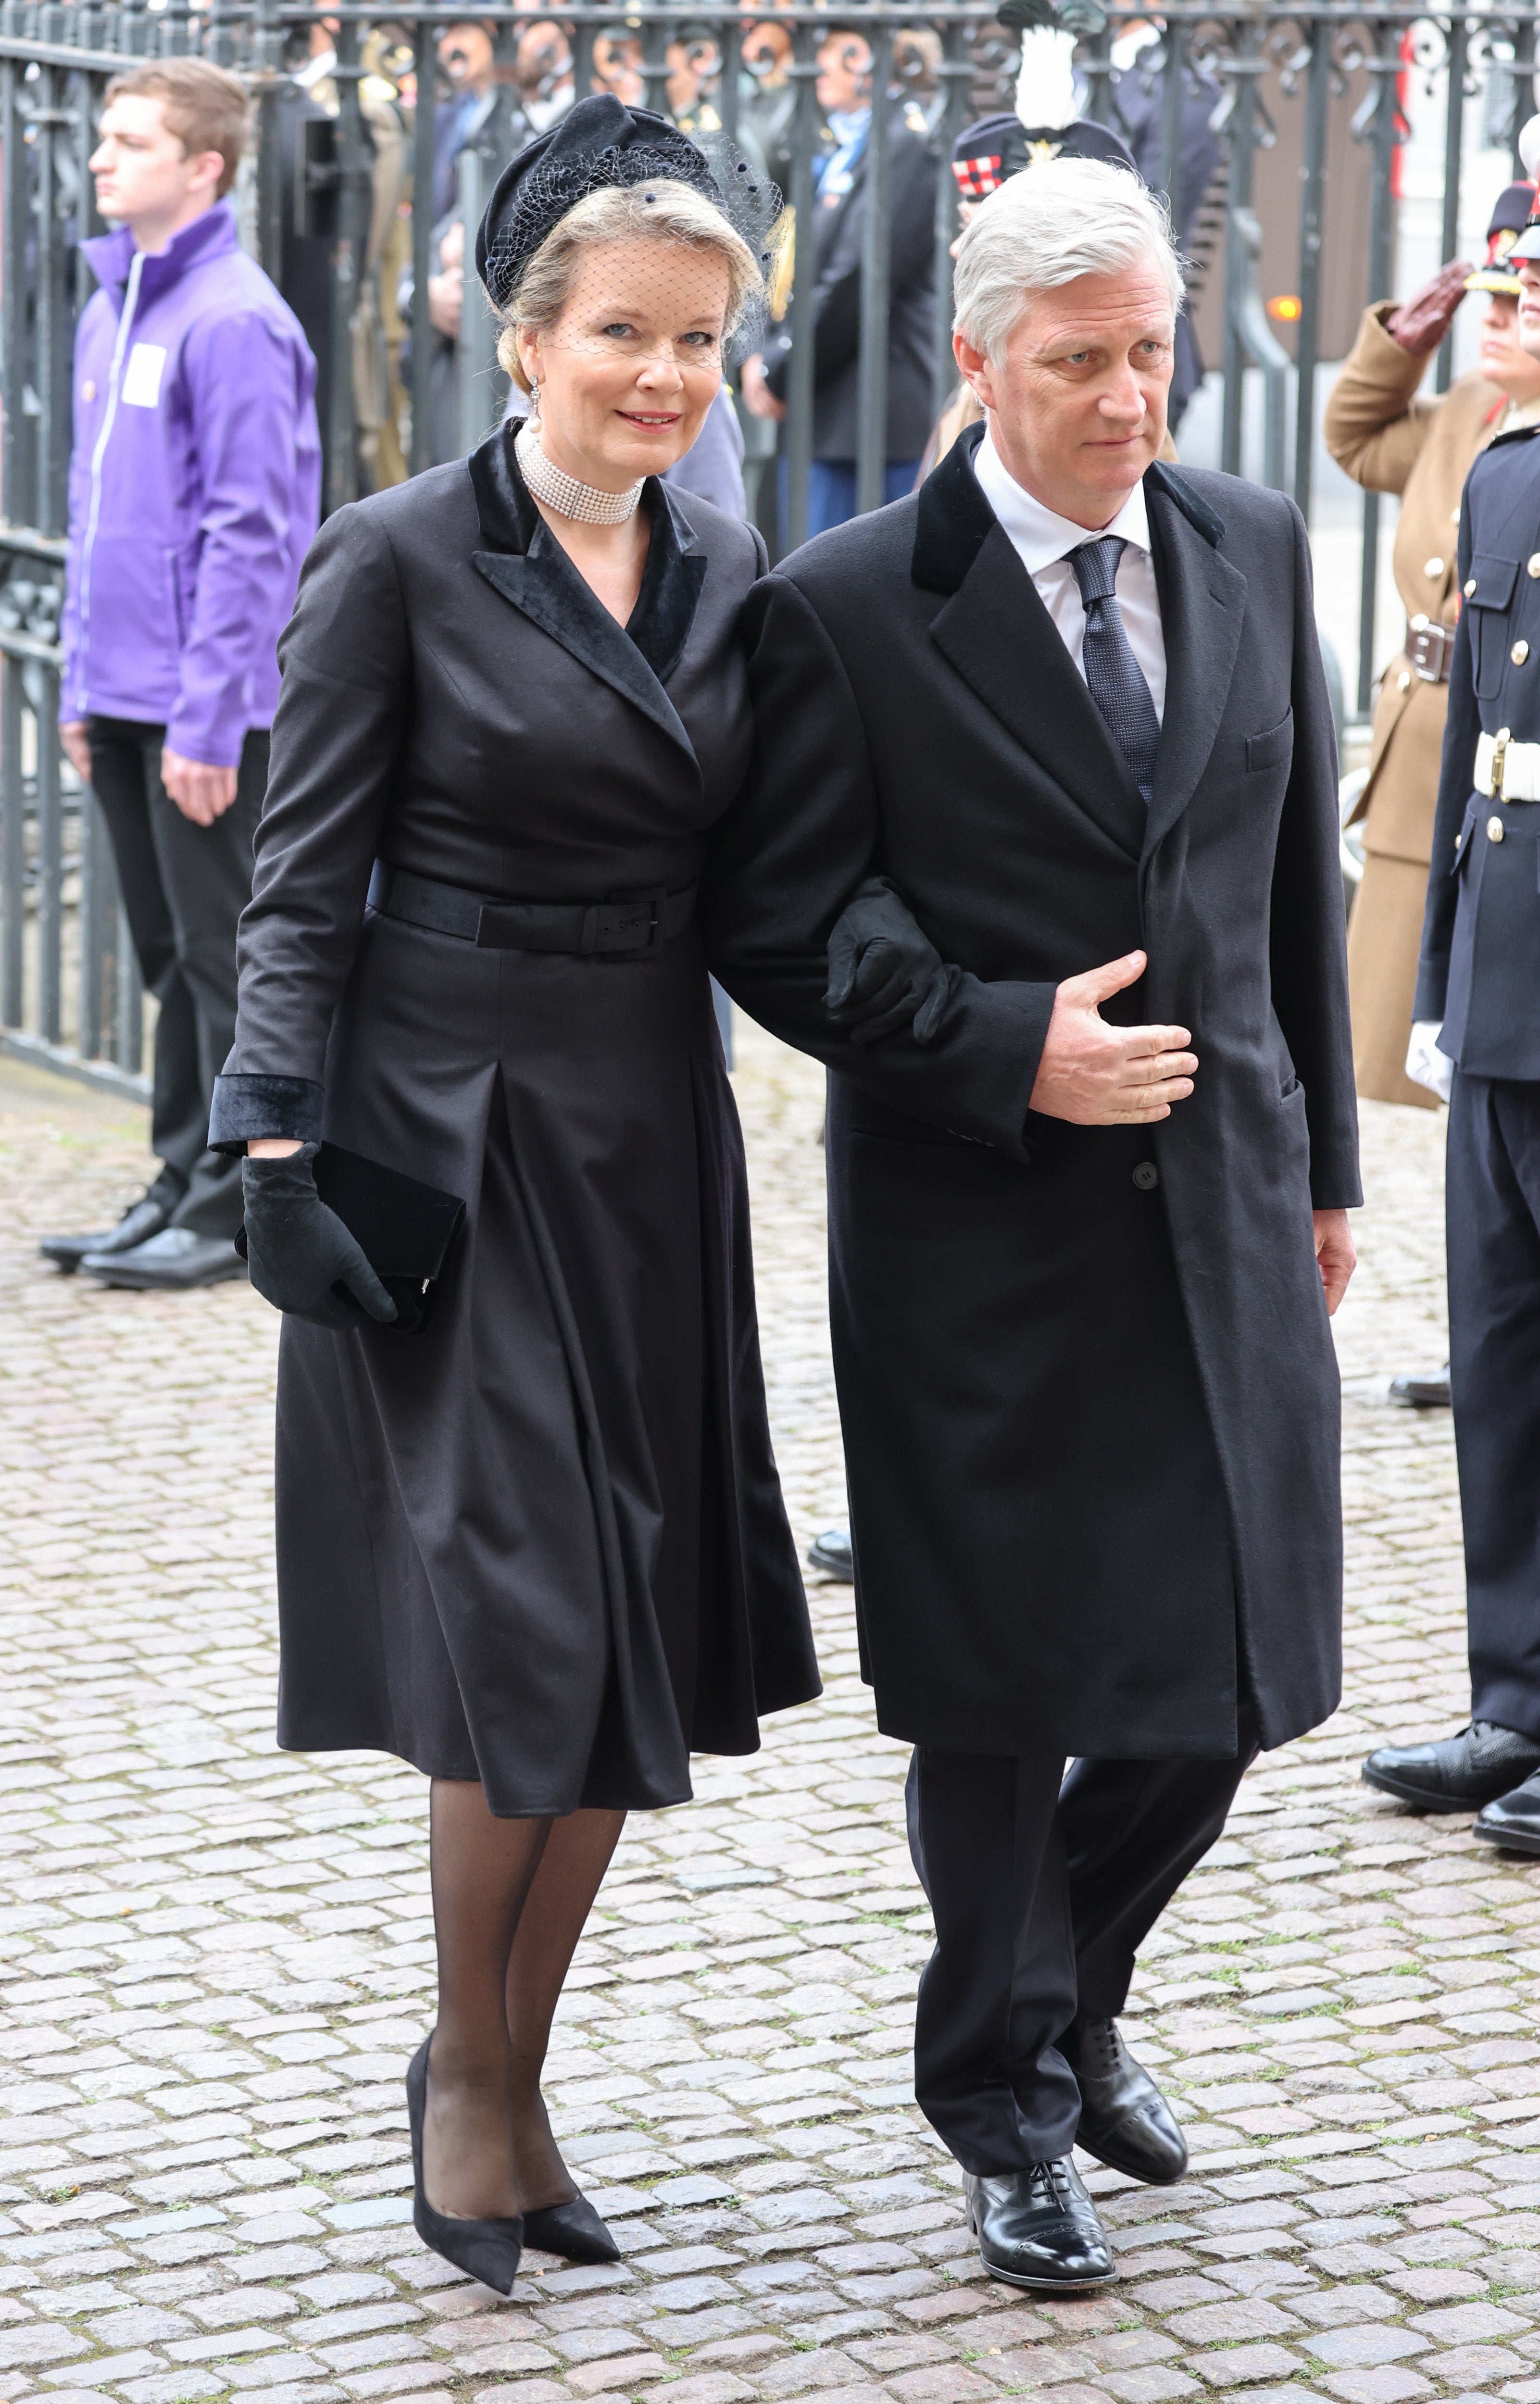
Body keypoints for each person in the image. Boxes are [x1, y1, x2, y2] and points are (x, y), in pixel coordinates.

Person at [707, 156, 1358, 2289]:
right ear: (972, 363)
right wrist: (1007, 1044)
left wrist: (1331, 1165)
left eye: (1150, 351)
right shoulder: (841, 600)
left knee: (1233, 1671)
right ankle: (1002, 2095)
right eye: (1075, 364)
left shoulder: (1253, 543)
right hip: (976, 1231)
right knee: (996, 1689)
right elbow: (788, 927)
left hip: (1231, 1202)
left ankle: (1064, 1995)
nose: (1125, 399)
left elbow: (1284, 895)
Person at [205, 96, 818, 2292]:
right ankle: (464, 2078)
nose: (663, 378)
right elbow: (295, 880)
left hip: (648, 1123)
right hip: (443, 1130)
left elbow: (793, 891)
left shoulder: (740, 579)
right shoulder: (390, 554)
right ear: (522, 337)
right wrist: (267, 1135)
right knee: (525, 1629)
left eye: (699, 345)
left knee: (624, 1632)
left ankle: (513, 2067)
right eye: (621, 335)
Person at [47, 59, 320, 1292]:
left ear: (202, 168)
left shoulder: (238, 320)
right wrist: (76, 690)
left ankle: (230, 1205)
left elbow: (254, 537)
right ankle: (177, 1172)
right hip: (121, 697)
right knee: (165, 954)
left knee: (220, 958)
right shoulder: (116, 307)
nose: (102, 158)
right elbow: (94, 512)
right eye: (105, 138)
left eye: (130, 141)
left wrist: (209, 721)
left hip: (201, 716)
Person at [1360, 140, 1540, 1855]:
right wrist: (1437, 986)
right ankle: (1516, 1697)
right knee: (1498, 1351)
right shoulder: (1501, 478)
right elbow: (1477, 772)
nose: (1517, 283)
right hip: (1503, 993)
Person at [739, 23, 938, 536]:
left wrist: (778, 369)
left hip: (868, 417)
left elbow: (857, 281)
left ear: (867, 57)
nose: (818, 65)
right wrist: (762, 351)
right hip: (823, 409)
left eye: (830, 50)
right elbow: (784, 262)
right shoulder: (842, 140)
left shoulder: (904, 142)